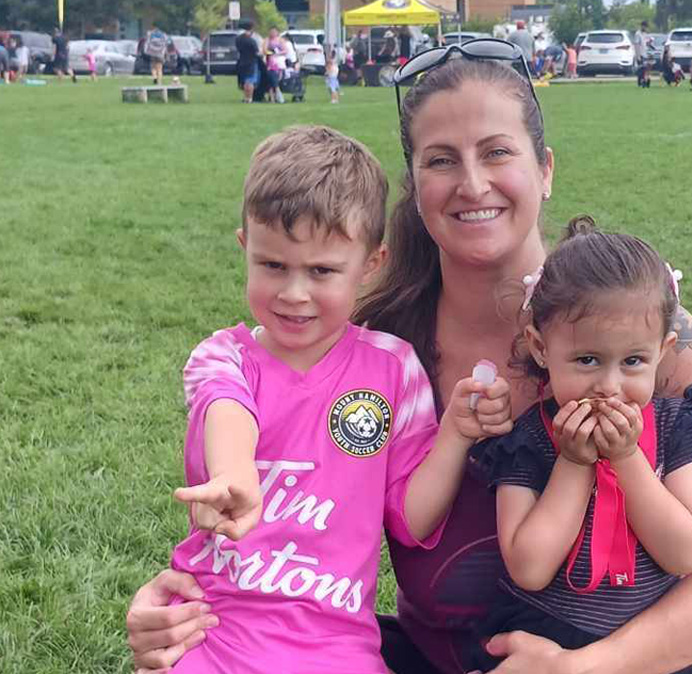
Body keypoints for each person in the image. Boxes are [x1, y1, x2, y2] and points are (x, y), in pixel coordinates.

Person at [127, 46, 692, 674]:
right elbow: (275, 501)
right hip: (446, 656)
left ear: (546, 168)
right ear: (414, 187)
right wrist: (186, 603)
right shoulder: (368, 345)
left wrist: (586, 667)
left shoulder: (646, 333)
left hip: (652, 656)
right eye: (441, 160)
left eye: (497, 151)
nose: (472, 184)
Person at [164, 125, 512, 674]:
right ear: (244, 247)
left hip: (336, 645)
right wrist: (234, 477)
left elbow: (410, 521)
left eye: (322, 271)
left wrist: (457, 434)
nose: (293, 293)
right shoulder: (223, 356)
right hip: (214, 632)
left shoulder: (392, 368)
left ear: (371, 264)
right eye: (272, 265)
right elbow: (228, 407)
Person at [467, 218, 692, 673]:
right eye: (587, 360)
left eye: (633, 361)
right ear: (541, 348)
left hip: (656, 634)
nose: (609, 385)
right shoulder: (525, 442)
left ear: (662, 350)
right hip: (544, 629)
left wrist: (627, 457)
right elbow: (528, 567)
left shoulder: (679, 426)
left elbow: (684, 554)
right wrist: (572, 461)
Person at [236, 20, 260, 103]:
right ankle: (249, 98)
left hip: (242, 61)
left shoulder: (238, 39)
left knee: (245, 81)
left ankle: (245, 97)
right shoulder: (251, 41)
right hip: (251, 62)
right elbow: (257, 52)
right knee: (250, 81)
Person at [263, 28, 287, 104]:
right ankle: (272, 97)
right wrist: (270, 53)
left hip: (279, 62)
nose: (272, 33)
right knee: (271, 79)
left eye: (274, 32)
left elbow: (285, 50)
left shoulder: (281, 40)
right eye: (271, 32)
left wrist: (278, 53)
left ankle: (276, 95)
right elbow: (264, 50)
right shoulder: (267, 40)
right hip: (270, 61)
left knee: (277, 78)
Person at [634, 20, 651, 88]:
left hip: (645, 54)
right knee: (641, 69)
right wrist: (638, 55)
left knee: (645, 69)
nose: (645, 28)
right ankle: (641, 82)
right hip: (640, 54)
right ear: (642, 26)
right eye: (644, 27)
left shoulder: (645, 34)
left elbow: (646, 44)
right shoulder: (638, 34)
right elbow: (636, 45)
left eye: (646, 27)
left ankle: (643, 82)